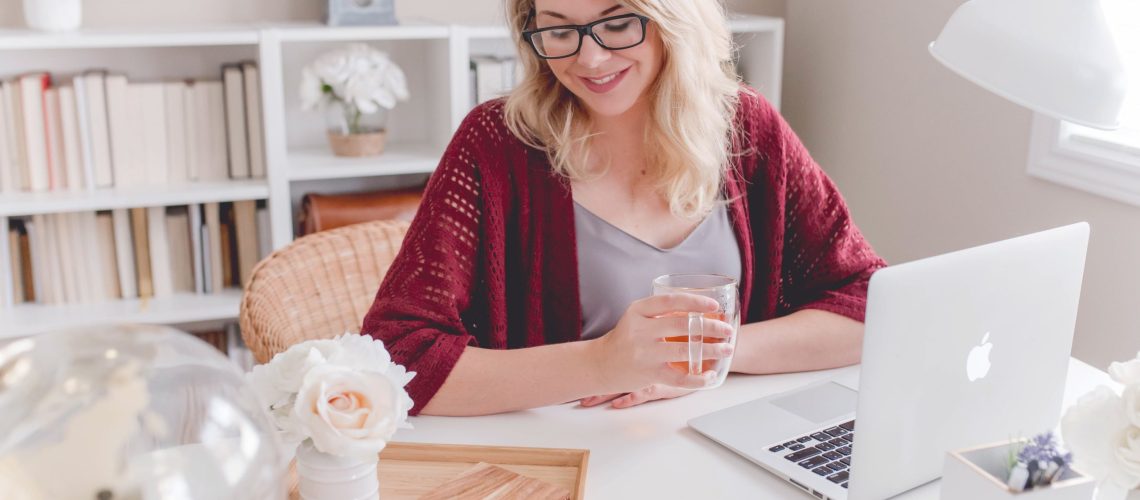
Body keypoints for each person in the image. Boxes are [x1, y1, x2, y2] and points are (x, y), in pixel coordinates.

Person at [361, 0, 886, 416]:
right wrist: (602, 363)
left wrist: (704, 356)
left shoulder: (748, 127)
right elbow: (394, 354)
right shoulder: (496, 144)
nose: (588, 59)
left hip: (719, 446)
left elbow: (870, 304)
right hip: (566, 462)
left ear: (671, 17)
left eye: (617, 23)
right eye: (559, 30)